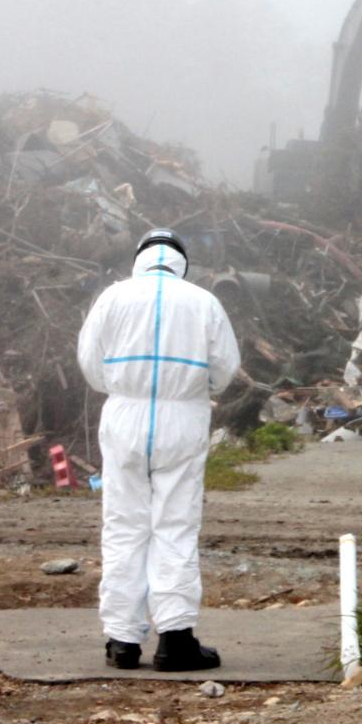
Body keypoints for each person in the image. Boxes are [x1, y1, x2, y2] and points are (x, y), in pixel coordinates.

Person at [77, 229, 240, 671]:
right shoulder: (204, 302)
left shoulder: (112, 298)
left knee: (123, 525)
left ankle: (121, 641)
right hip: (183, 420)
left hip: (124, 419)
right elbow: (225, 369)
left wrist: (124, 387)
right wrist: (190, 388)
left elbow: (90, 364)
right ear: (182, 262)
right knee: (176, 525)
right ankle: (175, 638)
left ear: (139, 259)